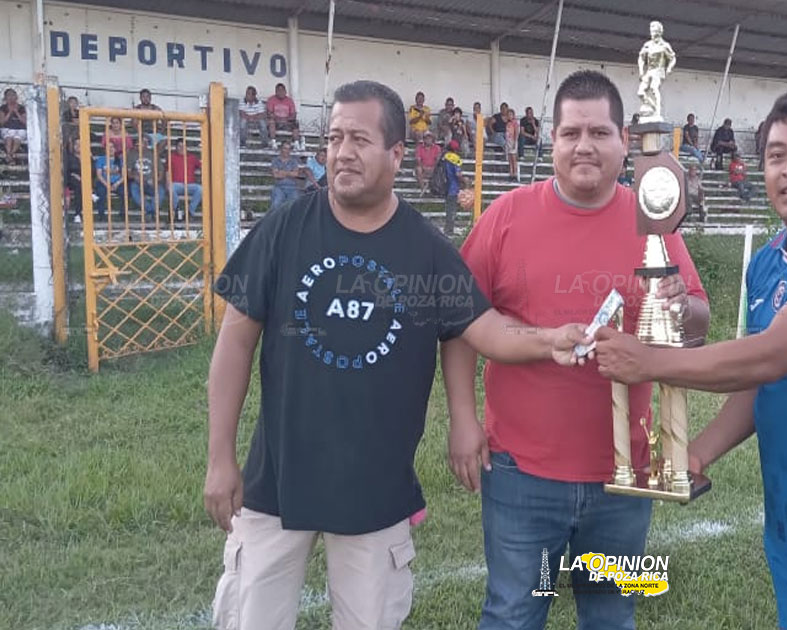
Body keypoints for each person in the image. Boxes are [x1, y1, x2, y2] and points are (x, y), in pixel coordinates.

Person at [205, 79, 591, 630]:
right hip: (276, 483)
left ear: (395, 153)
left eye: (359, 139)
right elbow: (235, 342)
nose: (342, 152)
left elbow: (482, 330)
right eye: (335, 137)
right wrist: (221, 457)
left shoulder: (425, 250)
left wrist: (549, 339)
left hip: (376, 494)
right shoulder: (283, 230)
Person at [593, 89, 787, 630]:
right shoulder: (765, 265)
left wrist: (647, 361)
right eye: (777, 155)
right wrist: (696, 454)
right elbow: (762, 386)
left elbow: (768, 357)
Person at [442, 69, 710, 630]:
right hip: (521, 473)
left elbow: (698, 322)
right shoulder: (507, 217)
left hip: (625, 475)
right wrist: (462, 422)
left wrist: (681, 305)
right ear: (553, 140)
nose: (584, 145)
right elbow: (461, 324)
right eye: (570, 133)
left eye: (599, 132)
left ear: (622, 142)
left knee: (611, 614)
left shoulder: (654, 221)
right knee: (516, 612)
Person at [168, 138, 203, 220]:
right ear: (176, 147)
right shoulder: (171, 157)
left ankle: (190, 212)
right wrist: (167, 183)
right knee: (171, 188)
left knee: (200, 189)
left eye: (183, 146)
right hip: (176, 184)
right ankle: (177, 210)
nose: (181, 148)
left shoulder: (192, 157)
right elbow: (167, 171)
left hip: (190, 185)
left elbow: (202, 167)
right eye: (179, 146)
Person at [440, 139, 469, 234]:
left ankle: (447, 228)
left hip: (445, 186)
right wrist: (465, 181)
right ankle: (449, 230)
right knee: (452, 210)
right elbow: (458, 174)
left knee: (448, 209)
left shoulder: (443, 157)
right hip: (453, 187)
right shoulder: (455, 158)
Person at [269, 140, 305, 210]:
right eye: (285, 148)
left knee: (295, 205)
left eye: (289, 149)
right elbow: (276, 175)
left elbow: (295, 174)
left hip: (292, 187)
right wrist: (289, 173)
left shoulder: (293, 161)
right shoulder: (275, 161)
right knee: (276, 203)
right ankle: (275, 220)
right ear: (281, 149)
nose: (287, 151)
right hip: (279, 187)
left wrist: (282, 172)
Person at [266, 83, 301, 149]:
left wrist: (285, 119)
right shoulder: (271, 99)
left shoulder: (289, 100)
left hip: (287, 122)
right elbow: (269, 113)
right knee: (271, 122)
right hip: (276, 122)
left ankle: (296, 143)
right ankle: (273, 142)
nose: (280, 92)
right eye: (278, 90)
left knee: (296, 122)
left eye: (282, 90)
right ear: (276, 91)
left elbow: (293, 114)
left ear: (285, 91)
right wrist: (279, 119)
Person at [1, 88, 28, 164]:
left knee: (17, 138)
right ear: (5, 98)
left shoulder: (21, 108)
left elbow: (25, 122)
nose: (11, 97)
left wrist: (16, 112)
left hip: (20, 130)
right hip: (7, 129)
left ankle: (10, 155)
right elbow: (2, 123)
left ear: (16, 97)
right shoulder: (3, 108)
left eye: (13, 95)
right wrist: (9, 112)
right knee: (8, 138)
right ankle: (10, 156)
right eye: (9, 95)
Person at [415, 131, 441, 196]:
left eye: (430, 138)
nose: (428, 140)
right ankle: (423, 189)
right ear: (424, 139)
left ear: (432, 139)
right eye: (426, 138)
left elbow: (438, 160)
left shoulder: (437, 148)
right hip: (423, 168)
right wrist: (423, 167)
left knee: (439, 169)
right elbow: (418, 159)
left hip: (434, 168)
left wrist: (433, 168)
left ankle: (435, 190)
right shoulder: (419, 148)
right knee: (418, 169)